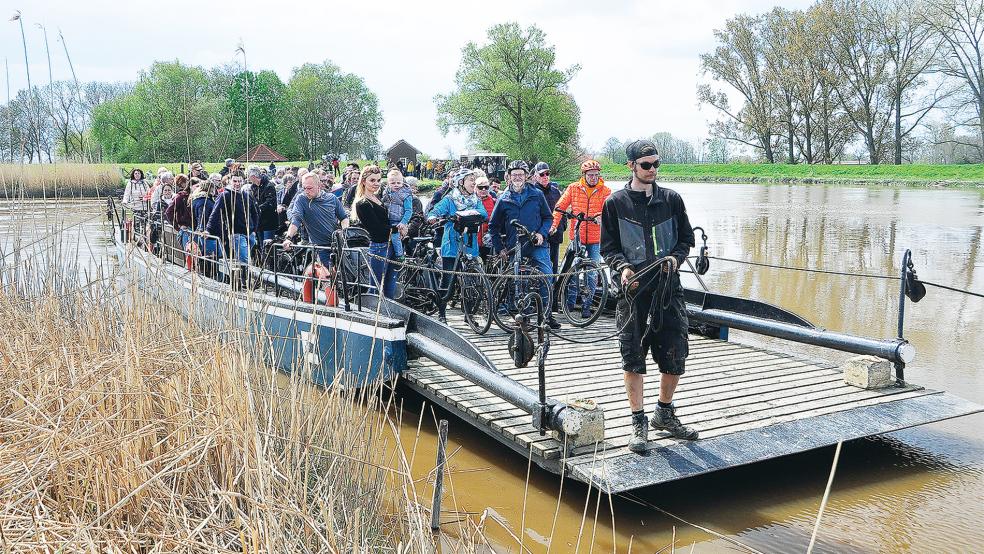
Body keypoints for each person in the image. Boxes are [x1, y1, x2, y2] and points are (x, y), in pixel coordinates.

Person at [600, 139, 697, 452]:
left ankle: (664, 414)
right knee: (633, 356)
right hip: (633, 291)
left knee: (676, 352)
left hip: (669, 290)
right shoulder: (615, 203)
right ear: (631, 166)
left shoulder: (672, 200)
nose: (652, 169)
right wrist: (622, 267)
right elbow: (608, 248)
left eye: (656, 164)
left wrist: (675, 259)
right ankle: (638, 421)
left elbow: (685, 240)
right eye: (646, 165)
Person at [487, 160, 561, 329]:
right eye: (514, 175)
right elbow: (493, 226)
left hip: (536, 243)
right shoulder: (503, 198)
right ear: (509, 177)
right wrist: (500, 248)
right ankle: (522, 317)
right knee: (517, 281)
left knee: (547, 277)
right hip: (515, 244)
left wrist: (542, 233)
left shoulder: (536, 194)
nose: (517, 177)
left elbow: (548, 217)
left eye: (520, 174)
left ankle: (546, 316)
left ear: (527, 176)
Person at [550, 159, 611, 317]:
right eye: (590, 175)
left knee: (592, 272)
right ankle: (569, 304)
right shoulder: (573, 188)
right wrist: (554, 225)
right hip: (577, 236)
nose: (593, 178)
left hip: (596, 238)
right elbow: (559, 208)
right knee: (573, 270)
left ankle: (587, 306)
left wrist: (600, 216)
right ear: (584, 175)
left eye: (596, 175)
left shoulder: (605, 191)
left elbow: (611, 212)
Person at [427, 168, 487, 293]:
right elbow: (436, 210)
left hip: (470, 243)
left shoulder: (476, 200)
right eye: (471, 180)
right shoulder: (450, 199)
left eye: (474, 180)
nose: (474, 183)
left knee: (472, 278)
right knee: (448, 281)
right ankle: (442, 308)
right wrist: (433, 216)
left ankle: (469, 305)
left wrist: (466, 214)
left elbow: (484, 214)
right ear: (461, 182)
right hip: (452, 243)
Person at [282, 172, 349, 267]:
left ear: (319, 186)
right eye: (304, 188)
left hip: (337, 245)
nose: (306, 191)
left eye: (309, 188)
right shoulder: (301, 199)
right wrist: (288, 238)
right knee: (326, 276)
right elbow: (296, 220)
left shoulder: (332, 198)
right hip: (319, 247)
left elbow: (343, 217)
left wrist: (345, 232)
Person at [353, 165, 399, 298]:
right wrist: (397, 229)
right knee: (376, 288)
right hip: (379, 246)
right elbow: (376, 229)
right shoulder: (362, 203)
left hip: (390, 244)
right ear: (363, 181)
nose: (376, 184)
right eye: (372, 180)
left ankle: (388, 312)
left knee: (390, 286)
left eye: (378, 180)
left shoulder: (377, 199)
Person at [206, 173, 259, 264]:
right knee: (245, 260)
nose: (237, 183)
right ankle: (244, 277)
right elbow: (215, 214)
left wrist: (254, 229)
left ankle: (243, 275)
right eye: (235, 181)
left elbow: (255, 213)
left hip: (249, 232)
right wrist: (208, 229)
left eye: (239, 181)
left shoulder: (247, 194)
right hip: (236, 233)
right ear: (230, 181)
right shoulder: (225, 195)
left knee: (247, 257)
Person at [533, 162, 563, 278]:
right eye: (542, 174)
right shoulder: (532, 192)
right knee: (541, 267)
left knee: (554, 265)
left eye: (547, 173)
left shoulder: (555, 191)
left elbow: (561, 210)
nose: (545, 176)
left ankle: (554, 291)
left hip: (555, 233)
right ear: (535, 176)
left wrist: (561, 226)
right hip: (541, 234)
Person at [382, 169, 414, 259]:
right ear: (388, 183)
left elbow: (409, 210)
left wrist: (403, 222)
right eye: (393, 183)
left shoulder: (405, 194)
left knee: (395, 237)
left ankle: (400, 255)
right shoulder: (386, 193)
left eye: (398, 183)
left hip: (399, 221)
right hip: (388, 220)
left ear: (402, 182)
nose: (396, 185)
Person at [251, 166, 279, 243]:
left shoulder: (269, 186)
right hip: (259, 221)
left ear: (253, 177)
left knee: (267, 246)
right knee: (261, 245)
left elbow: (270, 202)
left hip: (268, 221)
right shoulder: (253, 187)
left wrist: (258, 208)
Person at [474, 175, 497, 259]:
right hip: (473, 238)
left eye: (486, 187)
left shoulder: (494, 201)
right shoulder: (470, 201)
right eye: (480, 187)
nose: (483, 190)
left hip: (488, 239)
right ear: (475, 188)